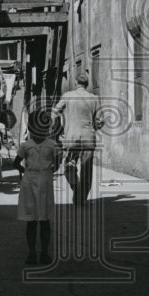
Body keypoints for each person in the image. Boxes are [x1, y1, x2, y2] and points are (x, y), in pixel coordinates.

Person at [14, 110, 60, 265]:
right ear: (30, 128)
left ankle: (45, 253)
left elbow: (57, 162)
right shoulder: (25, 146)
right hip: (29, 183)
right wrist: (25, 171)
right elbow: (16, 162)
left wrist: (48, 171)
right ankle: (32, 253)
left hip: (45, 183)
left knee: (45, 220)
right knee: (31, 220)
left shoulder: (52, 145)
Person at [51, 70, 102, 207]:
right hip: (88, 138)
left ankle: (77, 190)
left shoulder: (67, 96)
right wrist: (95, 126)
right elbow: (99, 122)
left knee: (69, 167)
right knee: (87, 169)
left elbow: (54, 114)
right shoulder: (94, 98)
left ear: (75, 83)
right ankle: (81, 196)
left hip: (71, 137)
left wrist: (57, 131)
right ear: (87, 84)